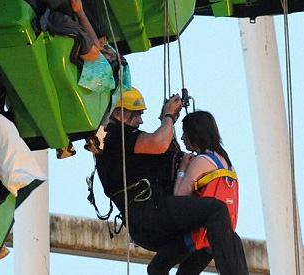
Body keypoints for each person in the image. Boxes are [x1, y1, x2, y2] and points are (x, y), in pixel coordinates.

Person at [95, 88, 248, 274]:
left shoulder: (131, 142)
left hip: (157, 216)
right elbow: (159, 142)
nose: (141, 121)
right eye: (137, 115)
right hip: (149, 214)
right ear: (119, 113)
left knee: (227, 238)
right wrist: (168, 116)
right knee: (216, 211)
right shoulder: (112, 134)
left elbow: (164, 146)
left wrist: (167, 123)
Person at [148, 110, 248, 274]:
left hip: (197, 235)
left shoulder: (202, 161)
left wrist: (182, 169)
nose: (182, 138)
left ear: (194, 134)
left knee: (156, 268)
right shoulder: (227, 163)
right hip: (216, 237)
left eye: (184, 134)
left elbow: (179, 197)